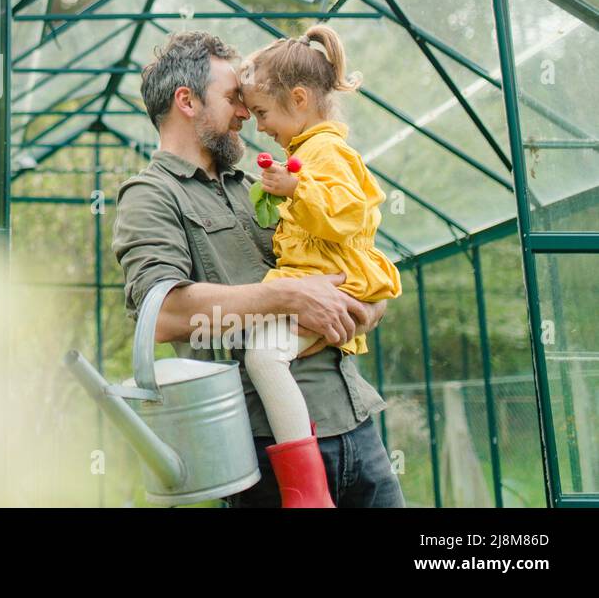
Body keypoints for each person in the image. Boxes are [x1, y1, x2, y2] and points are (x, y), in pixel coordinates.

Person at [111, 31, 404, 508]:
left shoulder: (265, 184)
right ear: (186, 101)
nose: (247, 113)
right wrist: (289, 297)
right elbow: (159, 316)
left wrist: (369, 306)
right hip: (264, 451)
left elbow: (351, 259)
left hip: (355, 424)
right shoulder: (151, 196)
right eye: (233, 100)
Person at [237, 25, 403, 507]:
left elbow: (354, 215)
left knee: (263, 357)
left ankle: (306, 490)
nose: (259, 124)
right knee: (266, 352)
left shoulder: (326, 152)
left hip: (336, 278)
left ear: (301, 98)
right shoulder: (307, 151)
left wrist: (297, 191)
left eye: (264, 112)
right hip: (320, 279)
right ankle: (306, 464)